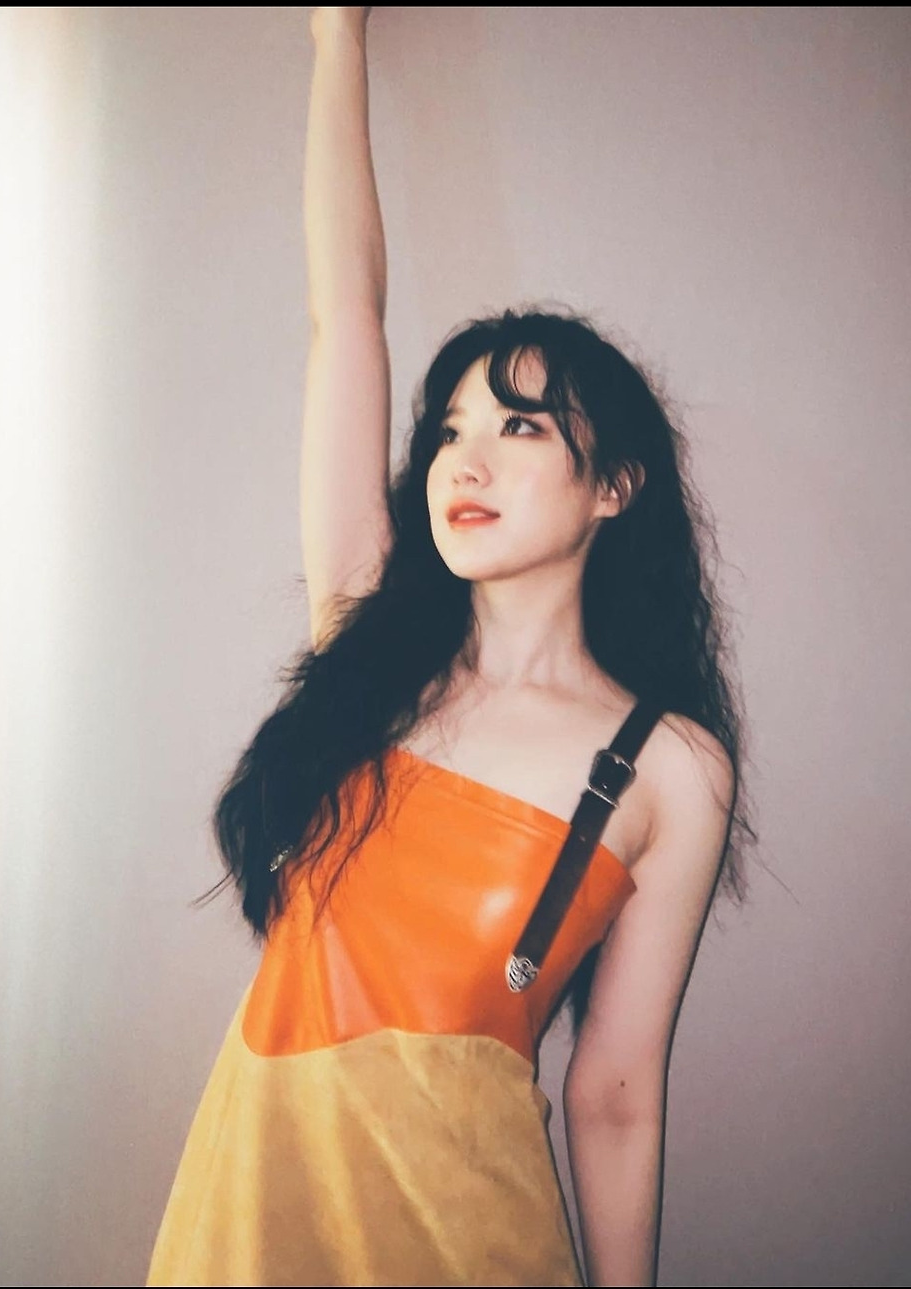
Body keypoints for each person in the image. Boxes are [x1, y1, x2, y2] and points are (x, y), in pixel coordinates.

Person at [147, 7, 754, 1286]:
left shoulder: (669, 768)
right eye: (449, 429)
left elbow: (615, 1092)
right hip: (246, 1232)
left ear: (615, 485)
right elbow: (344, 314)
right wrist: (337, 37)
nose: (463, 460)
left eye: (520, 427)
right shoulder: (367, 651)